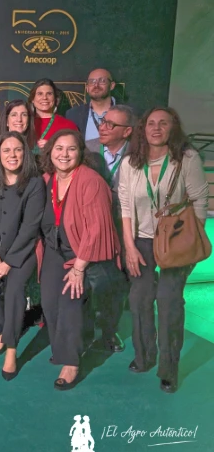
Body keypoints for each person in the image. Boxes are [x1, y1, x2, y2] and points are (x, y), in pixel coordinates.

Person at [119, 107, 208, 393]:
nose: (156, 128)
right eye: (151, 123)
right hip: (142, 240)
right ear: (143, 129)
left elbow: (199, 201)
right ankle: (144, 356)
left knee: (168, 302)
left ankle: (169, 369)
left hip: (175, 239)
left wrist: (192, 241)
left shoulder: (187, 159)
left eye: (163, 123)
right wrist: (129, 246)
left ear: (173, 128)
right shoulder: (131, 162)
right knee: (139, 299)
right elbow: (124, 208)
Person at [38, 129, 125, 390]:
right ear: (50, 151)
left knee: (70, 301)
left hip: (82, 254)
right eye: (59, 148)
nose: (64, 154)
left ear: (80, 153)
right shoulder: (47, 179)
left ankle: (71, 361)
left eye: (71, 149)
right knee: (49, 300)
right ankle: (62, 346)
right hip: (55, 249)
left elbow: (97, 228)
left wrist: (79, 267)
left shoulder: (90, 181)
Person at [0, 131, 44, 379]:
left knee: (15, 293)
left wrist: (9, 262)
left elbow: (30, 229)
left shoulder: (34, 184)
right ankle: (5, 330)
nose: (12, 155)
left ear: (25, 153)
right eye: (6, 150)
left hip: (23, 252)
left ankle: (12, 350)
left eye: (17, 150)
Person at [86, 104, 138, 353]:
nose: (103, 128)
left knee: (118, 284)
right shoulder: (88, 148)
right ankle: (85, 329)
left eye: (110, 125)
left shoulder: (139, 156)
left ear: (127, 132)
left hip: (125, 227)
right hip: (93, 227)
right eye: (103, 122)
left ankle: (109, 332)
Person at [66, 68, 118, 147]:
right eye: (91, 82)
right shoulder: (73, 115)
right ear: (87, 88)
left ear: (112, 85)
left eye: (102, 81)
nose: (96, 85)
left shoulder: (128, 113)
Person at [28, 78, 78, 151]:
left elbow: (76, 152)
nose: (44, 97)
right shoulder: (24, 123)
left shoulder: (68, 125)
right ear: (32, 99)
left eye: (49, 94)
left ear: (55, 99)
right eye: (40, 94)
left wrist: (54, 147)